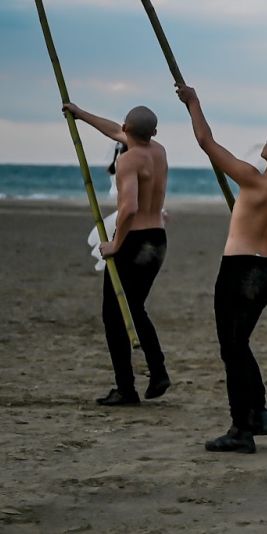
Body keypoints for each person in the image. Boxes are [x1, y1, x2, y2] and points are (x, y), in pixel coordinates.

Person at [174, 84, 267, 454]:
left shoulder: (251, 179)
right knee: (239, 346)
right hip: (264, 274)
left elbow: (205, 141)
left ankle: (243, 428)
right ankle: (257, 414)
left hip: (238, 271)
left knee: (233, 349)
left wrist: (193, 102)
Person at [64, 102, 171, 407]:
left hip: (134, 241)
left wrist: (115, 244)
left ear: (127, 130)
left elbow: (129, 209)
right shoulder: (159, 150)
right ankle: (158, 370)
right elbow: (113, 128)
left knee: (114, 315)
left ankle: (126, 388)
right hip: (158, 239)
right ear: (154, 131)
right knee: (135, 308)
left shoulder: (127, 161)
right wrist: (80, 113)